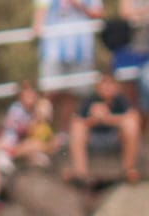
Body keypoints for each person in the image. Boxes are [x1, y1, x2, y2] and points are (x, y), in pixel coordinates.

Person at [33, 0, 101, 131]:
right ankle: (39, 134)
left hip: (81, 49)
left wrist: (78, 4)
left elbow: (97, 13)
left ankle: (63, 136)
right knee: (49, 93)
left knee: (72, 95)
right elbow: (40, 9)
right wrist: (37, 24)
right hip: (53, 49)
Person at [68, 66, 143, 184]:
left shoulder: (121, 101)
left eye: (110, 84)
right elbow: (76, 121)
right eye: (104, 84)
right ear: (98, 86)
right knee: (77, 128)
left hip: (115, 139)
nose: (107, 88)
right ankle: (80, 172)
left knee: (131, 125)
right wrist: (93, 119)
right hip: (93, 139)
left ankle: (128, 169)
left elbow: (134, 117)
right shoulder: (89, 100)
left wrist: (108, 118)